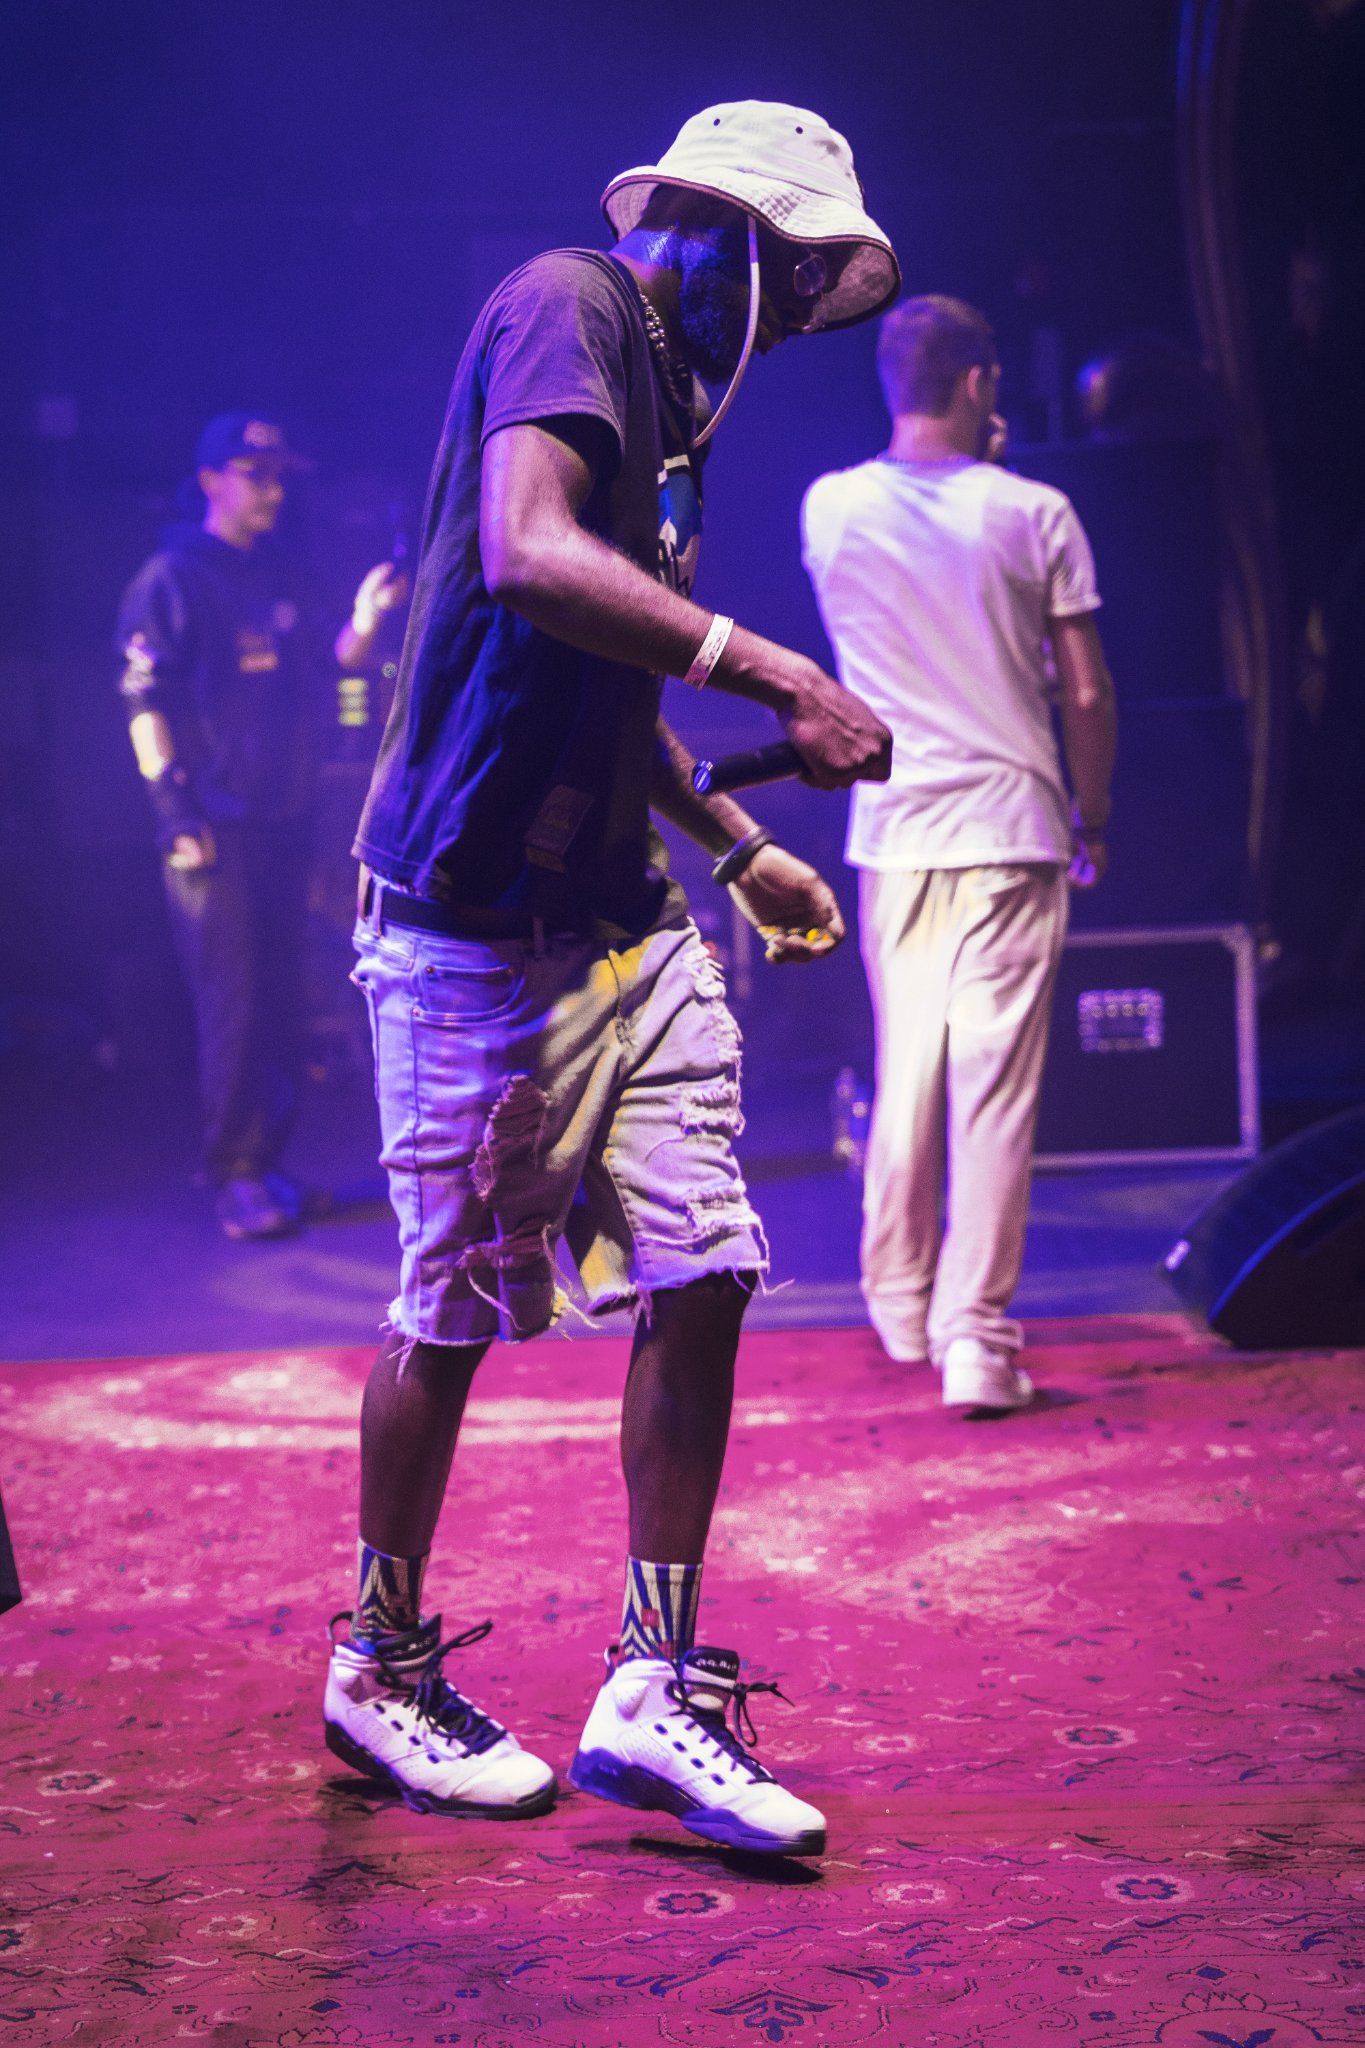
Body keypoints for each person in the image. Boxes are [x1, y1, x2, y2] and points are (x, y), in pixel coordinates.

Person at [324, 102, 898, 1858]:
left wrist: (735, 844)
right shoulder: (571, 307)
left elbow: (611, 672)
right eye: (795, 284)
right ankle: (378, 1653)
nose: (793, 323)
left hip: (622, 909)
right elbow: (527, 554)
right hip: (471, 916)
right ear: (730, 239)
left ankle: (651, 1680)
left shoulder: (672, 419)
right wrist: (779, 666)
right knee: (459, 1306)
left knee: (706, 1259)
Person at [801, 295, 1117, 1414]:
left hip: (895, 833)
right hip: (1014, 822)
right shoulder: (1036, 510)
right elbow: (1081, 684)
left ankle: (897, 1299)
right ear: (981, 383)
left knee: (910, 1070)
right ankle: (975, 1337)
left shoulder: (828, 507)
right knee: (992, 1088)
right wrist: (1096, 813)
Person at [116, 414, 407, 1239]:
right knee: (235, 1005)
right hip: (212, 829)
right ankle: (234, 1174)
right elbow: (144, 700)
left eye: (280, 475)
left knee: (281, 999)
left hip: (285, 822)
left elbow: (337, 658)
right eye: (256, 474)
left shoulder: (278, 575)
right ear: (212, 480)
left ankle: (268, 1166)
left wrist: (369, 612)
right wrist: (175, 810)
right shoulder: (172, 578)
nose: (273, 490)